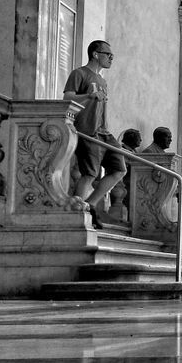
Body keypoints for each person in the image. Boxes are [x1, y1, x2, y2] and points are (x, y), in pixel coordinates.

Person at [62, 40, 127, 226]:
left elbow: (102, 108)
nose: (111, 58)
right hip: (86, 130)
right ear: (95, 54)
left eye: (112, 56)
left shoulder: (103, 81)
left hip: (103, 132)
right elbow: (67, 97)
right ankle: (75, 214)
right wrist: (89, 95)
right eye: (108, 54)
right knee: (89, 174)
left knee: (120, 168)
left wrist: (106, 126)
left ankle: (89, 204)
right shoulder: (79, 73)